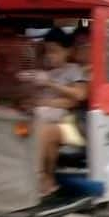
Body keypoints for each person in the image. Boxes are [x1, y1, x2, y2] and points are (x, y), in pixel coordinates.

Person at [27, 28, 87, 196]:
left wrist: (50, 85)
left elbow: (77, 97)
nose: (50, 56)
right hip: (43, 115)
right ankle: (44, 178)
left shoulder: (73, 70)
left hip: (68, 122)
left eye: (54, 51)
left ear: (67, 51)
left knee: (43, 131)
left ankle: (39, 176)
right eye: (47, 51)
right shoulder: (44, 71)